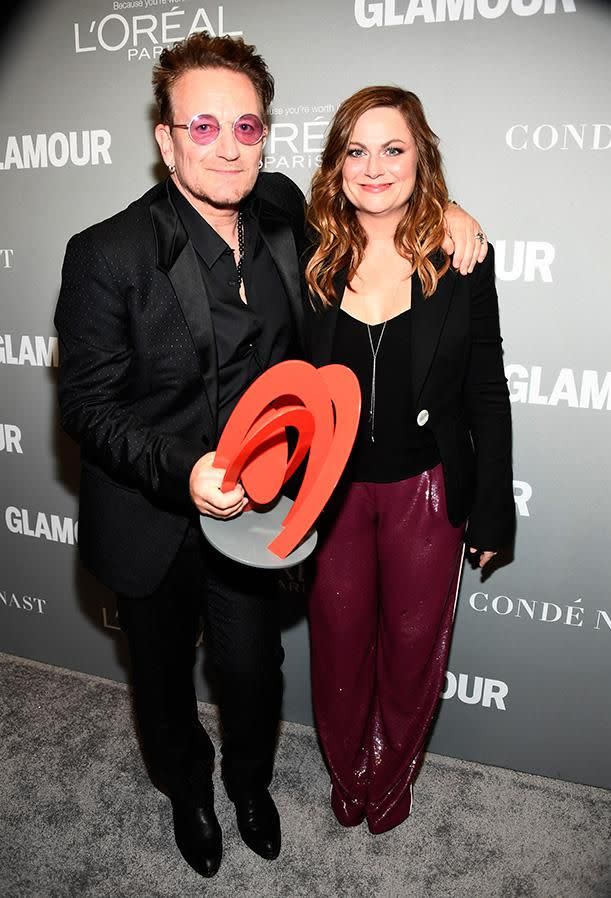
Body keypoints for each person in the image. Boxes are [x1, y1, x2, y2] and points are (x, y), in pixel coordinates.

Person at [54, 33, 486, 878]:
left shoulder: (285, 211)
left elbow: (386, 199)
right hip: (155, 516)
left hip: (261, 515)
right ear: (166, 138)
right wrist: (184, 469)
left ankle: (250, 786)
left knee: (253, 674)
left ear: (264, 136)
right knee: (164, 685)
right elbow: (86, 406)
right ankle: (189, 792)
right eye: (202, 127)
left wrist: (458, 216)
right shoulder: (105, 253)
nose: (225, 148)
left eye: (245, 128)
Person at [305, 86, 515, 836]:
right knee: (334, 644)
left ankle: (388, 778)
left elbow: (486, 389)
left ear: (420, 155)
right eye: (355, 150)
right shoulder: (304, 251)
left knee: (411, 646)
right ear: (334, 166)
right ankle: (346, 767)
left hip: (425, 490)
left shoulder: (459, 258)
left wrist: (492, 508)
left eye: (393, 148)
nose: (373, 167)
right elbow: (236, 190)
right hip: (329, 495)